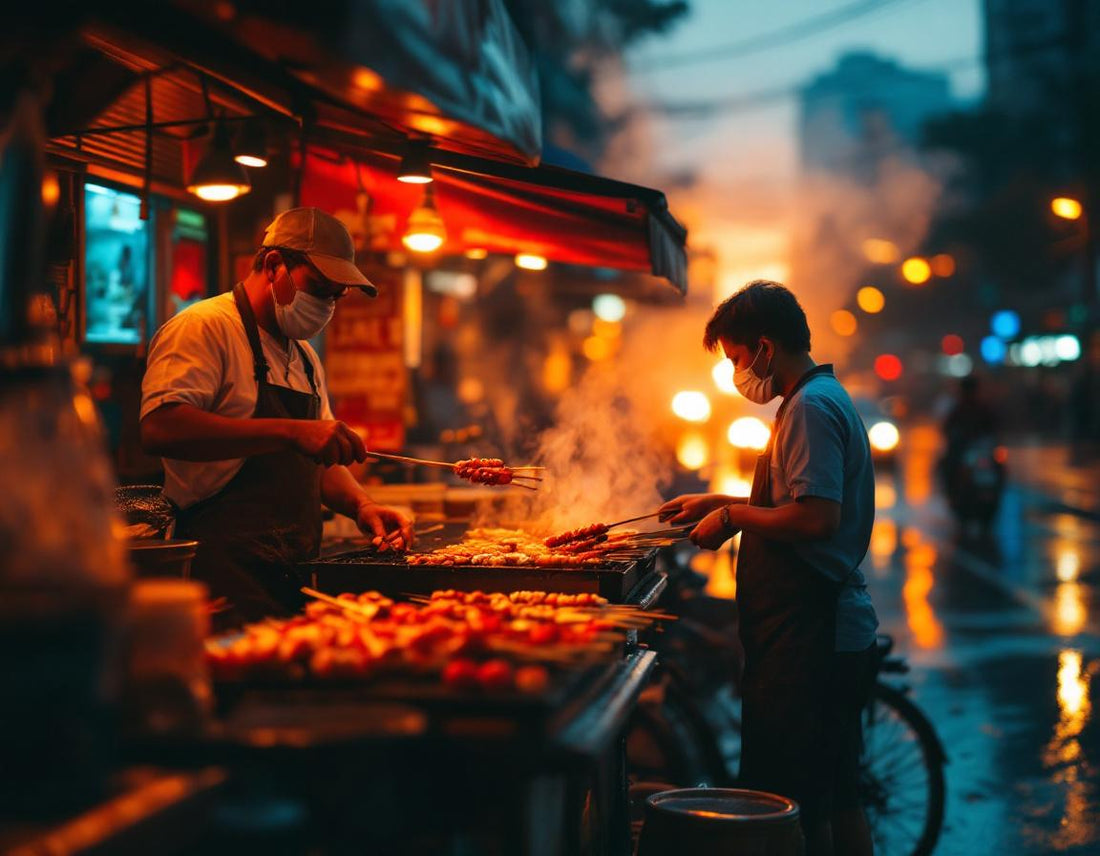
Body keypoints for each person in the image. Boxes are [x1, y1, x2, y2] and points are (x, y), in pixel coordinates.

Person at [660, 280, 878, 856]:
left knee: (798, 802)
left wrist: (733, 515)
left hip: (814, 634)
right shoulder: (811, 399)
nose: (737, 373)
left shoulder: (810, 407)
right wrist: (717, 503)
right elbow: (794, 499)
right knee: (835, 794)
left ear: (764, 346)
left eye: (735, 358)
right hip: (812, 630)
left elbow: (816, 520)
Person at [141, 207, 413, 629]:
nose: (327, 305)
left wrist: (363, 505)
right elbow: (161, 426)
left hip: (293, 571)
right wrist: (290, 431)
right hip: (222, 574)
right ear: (274, 265)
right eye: (320, 288)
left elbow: (318, 458)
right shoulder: (205, 328)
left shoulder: (302, 356)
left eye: (337, 296)